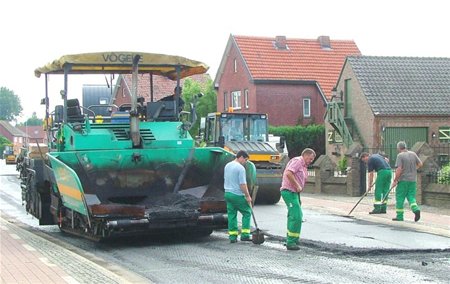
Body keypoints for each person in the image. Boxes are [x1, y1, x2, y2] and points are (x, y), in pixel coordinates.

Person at [280, 148, 316, 250]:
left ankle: (292, 239)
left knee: (294, 215)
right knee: (296, 216)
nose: (311, 161)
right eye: (310, 158)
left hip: (294, 193)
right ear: (305, 155)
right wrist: (297, 185)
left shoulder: (303, 165)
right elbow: (288, 173)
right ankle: (291, 242)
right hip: (289, 191)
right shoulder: (298, 161)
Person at [224, 150, 253, 243]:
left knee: (232, 215)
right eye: (245, 160)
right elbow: (243, 184)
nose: (245, 162)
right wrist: (248, 196)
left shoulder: (227, 165)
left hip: (227, 193)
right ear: (240, 157)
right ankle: (245, 235)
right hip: (237, 194)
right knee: (247, 212)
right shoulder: (240, 168)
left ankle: (232, 236)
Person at [391, 141, 423, 222]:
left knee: (400, 198)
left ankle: (400, 216)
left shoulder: (400, 155)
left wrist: (395, 180)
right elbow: (420, 164)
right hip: (413, 180)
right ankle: (416, 209)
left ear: (398, 148)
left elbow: (399, 169)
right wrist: (414, 169)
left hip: (403, 180)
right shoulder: (413, 154)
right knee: (411, 197)